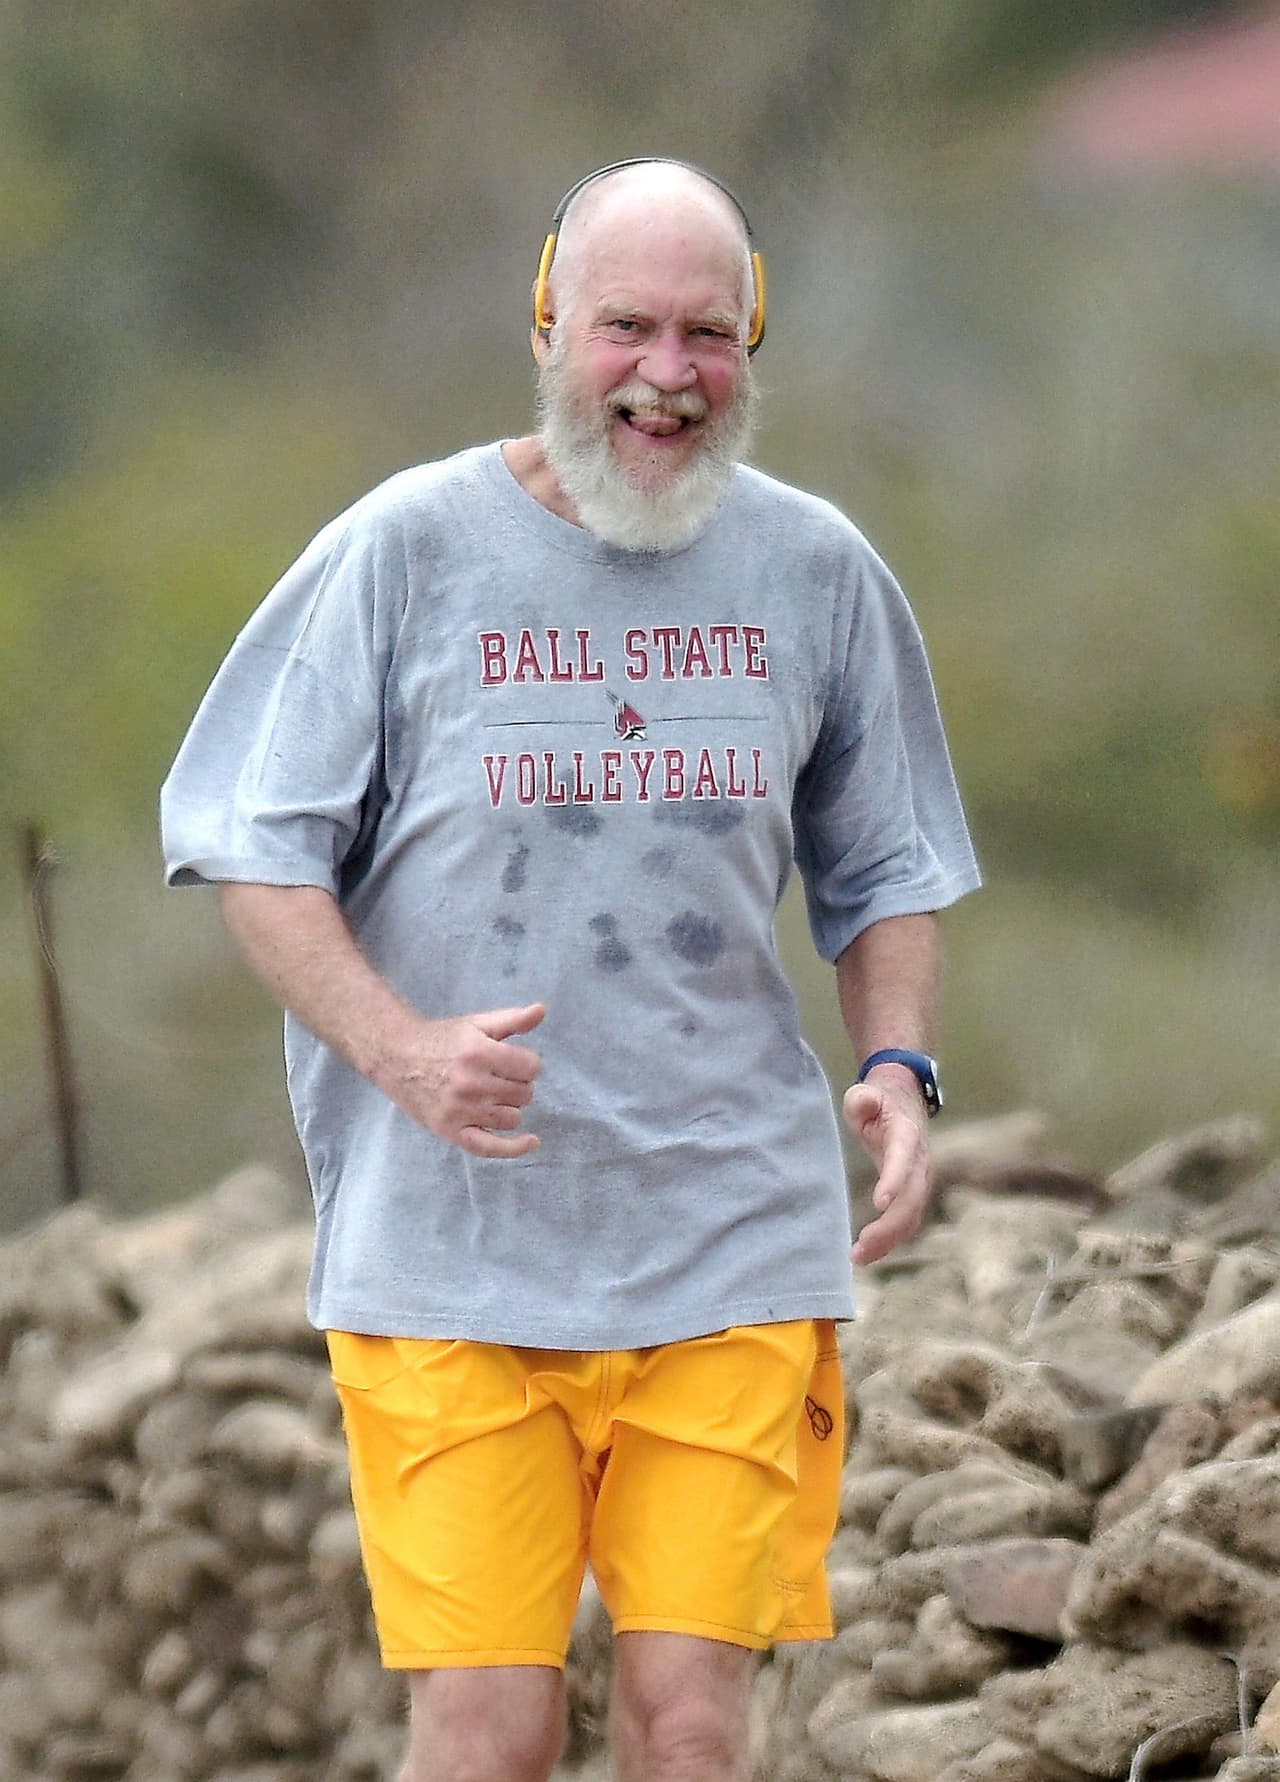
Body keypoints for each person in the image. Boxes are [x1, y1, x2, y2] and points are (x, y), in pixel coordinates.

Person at [161, 157, 981, 1782]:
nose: (667, 377)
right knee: (490, 1733)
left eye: (706, 335)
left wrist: (896, 1066)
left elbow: (887, 869)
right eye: (626, 329)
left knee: (692, 1726)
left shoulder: (818, 573)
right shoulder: (404, 551)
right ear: (548, 318)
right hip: (453, 1256)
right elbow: (254, 856)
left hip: (731, 1236)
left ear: (752, 344)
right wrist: (401, 1050)